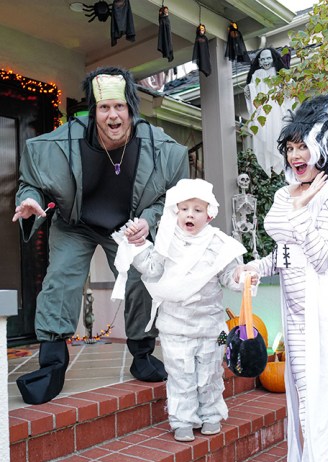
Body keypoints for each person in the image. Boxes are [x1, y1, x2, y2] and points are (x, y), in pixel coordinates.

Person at [12, 66, 189, 405]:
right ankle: (51, 366)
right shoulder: (57, 145)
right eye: (104, 108)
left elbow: (175, 198)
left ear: (131, 110)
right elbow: (30, 183)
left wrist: (149, 221)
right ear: (93, 112)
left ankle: (142, 354)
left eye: (119, 107)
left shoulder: (163, 150)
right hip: (75, 221)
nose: (112, 115)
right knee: (60, 279)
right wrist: (30, 200)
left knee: (142, 277)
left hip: (128, 224)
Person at [235, 90, 328, 462]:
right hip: (297, 312)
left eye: (303, 147)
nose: (296, 156)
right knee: (305, 404)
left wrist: (299, 212)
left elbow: (322, 256)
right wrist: (254, 268)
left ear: (323, 148)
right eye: (291, 148)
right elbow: (284, 254)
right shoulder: (283, 193)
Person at [112, 179, 248, 442]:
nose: (190, 214)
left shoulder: (220, 243)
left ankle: (211, 414)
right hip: (174, 326)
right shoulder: (165, 241)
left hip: (214, 328)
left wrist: (242, 276)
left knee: (211, 372)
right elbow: (151, 269)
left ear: (209, 214)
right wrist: (138, 247)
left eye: (197, 209)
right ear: (175, 212)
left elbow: (229, 275)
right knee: (180, 374)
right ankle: (182, 419)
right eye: (184, 208)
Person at [244, 47, 292, 177]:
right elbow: (252, 90)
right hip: (263, 110)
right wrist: (248, 90)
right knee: (265, 130)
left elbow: (289, 89)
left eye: (268, 58)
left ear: (273, 59)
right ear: (259, 61)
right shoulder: (257, 74)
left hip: (276, 107)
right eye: (263, 59)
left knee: (277, 129)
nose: (266, 61)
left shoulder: (279, 73)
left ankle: (278, 159)